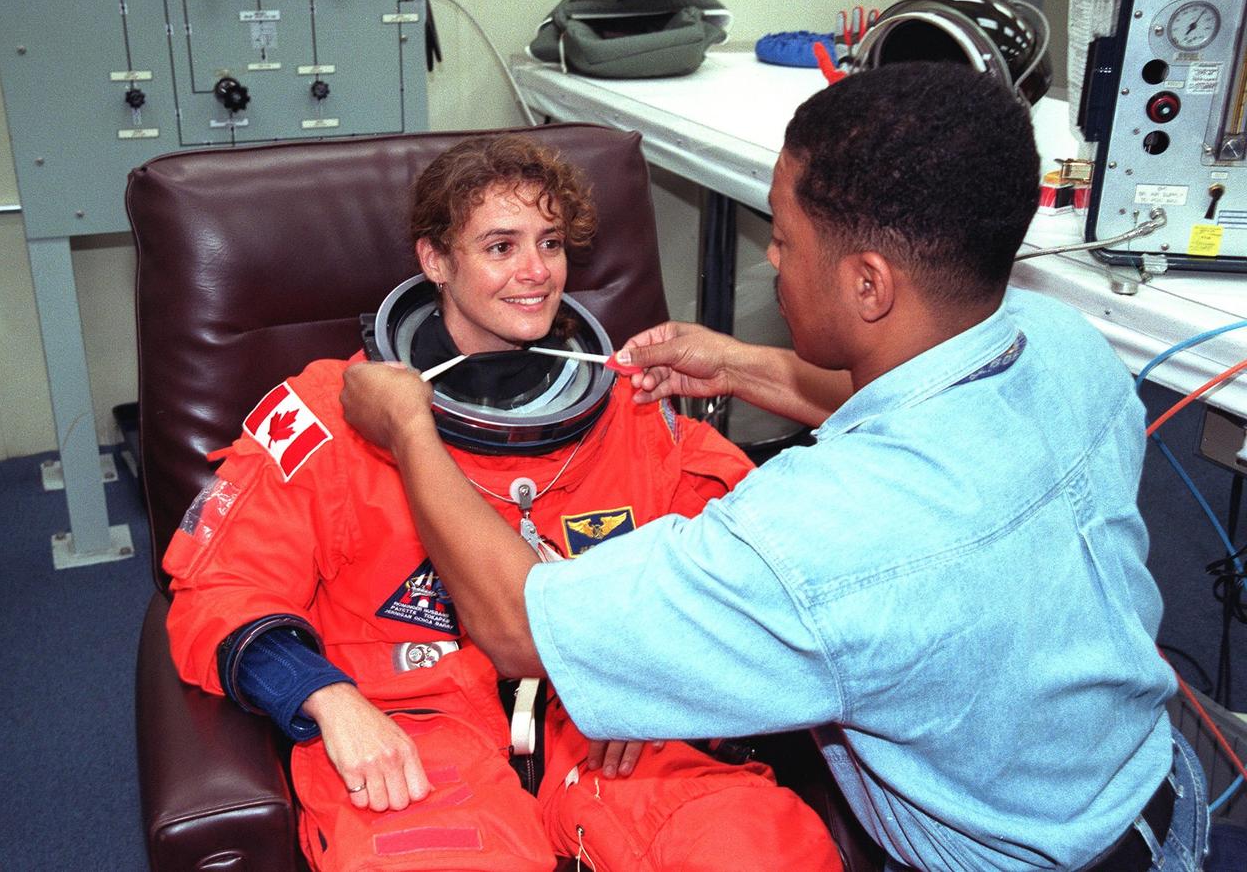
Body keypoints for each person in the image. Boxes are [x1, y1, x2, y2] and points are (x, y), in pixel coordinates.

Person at [339, 63, 1211, 871]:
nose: (770, 258)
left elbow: (521, 629)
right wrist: (744, 364)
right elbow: (931, 414)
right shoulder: (1064, 346)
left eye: (785, 240)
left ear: (868, 285)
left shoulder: (811, 538)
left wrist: (412, 429)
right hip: (1160, 795)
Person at [164, 134, 839, 872]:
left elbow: (750, 559)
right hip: (415, 733)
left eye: (551, 243)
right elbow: (221, 591)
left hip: (610, 730)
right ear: (435, 261)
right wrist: (326, 699)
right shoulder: (327, 414)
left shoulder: (629, 401)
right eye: (499, 247)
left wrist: (650, 674)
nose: (536, 273)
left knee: (763, 850)